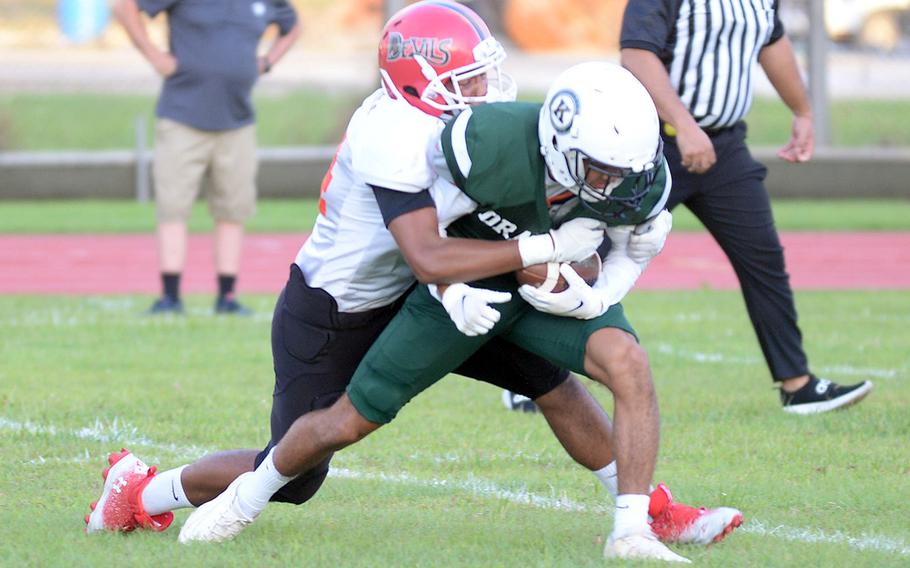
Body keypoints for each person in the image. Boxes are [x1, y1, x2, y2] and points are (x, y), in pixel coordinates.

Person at [174, 62, 743, 563]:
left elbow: (622, 252)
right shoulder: (468, 143)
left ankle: (635, 524)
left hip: (524, 288)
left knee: (617, 366)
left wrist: (593, 294)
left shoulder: (626, 166)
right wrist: (460, 288)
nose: (620, 186)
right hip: (418, 294)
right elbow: (427, 247)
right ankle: (225, 498)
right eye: (601, 173)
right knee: (342, 427)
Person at [619, 0, 873, 414]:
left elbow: (771, 40)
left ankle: (798, 384)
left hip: (725, 147)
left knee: (762, 258)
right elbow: (636, 54)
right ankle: (536, 376)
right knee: (596, 253)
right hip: (654, 143)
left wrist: (802, 110)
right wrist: (684, 126)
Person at [113, 0, 301, 315]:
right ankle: (171, 296)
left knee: (233, 209)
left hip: (237, 121)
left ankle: (226, 297)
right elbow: (124, 7)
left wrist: (267, 62)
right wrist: (155, 56)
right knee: (173, 207)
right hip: (182, 118)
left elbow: (292, 25)